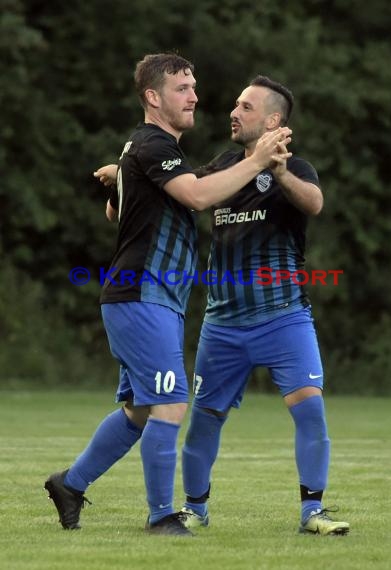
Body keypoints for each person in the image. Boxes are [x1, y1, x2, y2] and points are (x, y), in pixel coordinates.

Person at [44, 55, 291, 537]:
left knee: (140, 409)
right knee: (172, 402)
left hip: (154, 298)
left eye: (194, 86)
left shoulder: (150, 150)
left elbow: (119, 214)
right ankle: (161, 517)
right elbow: (199, 196)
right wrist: (258, 160)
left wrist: (120, 179)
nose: (194, 95)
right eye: (182, 88)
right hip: (142, 295)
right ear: (153, 98)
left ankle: (70, 485)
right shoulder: (154, 144)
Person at [175, 76, 350, 536]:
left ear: (273, 120)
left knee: (310, 411)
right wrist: (127, 177)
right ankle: (195, 509)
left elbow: (314, 204)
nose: (234, 112)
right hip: (223, 324)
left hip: (284, 318)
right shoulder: (224, 166)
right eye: (235, 104)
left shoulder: (298, 170)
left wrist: (279, 170)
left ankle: (313, 512)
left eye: (246, 107)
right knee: (203, 421)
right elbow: (185, 193)